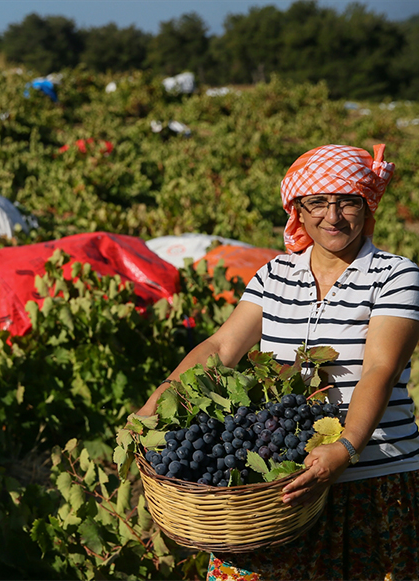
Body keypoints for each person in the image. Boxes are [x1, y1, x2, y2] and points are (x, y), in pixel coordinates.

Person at [137, 143, 419, 580]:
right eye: (318, 203)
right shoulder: (274, 275)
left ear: (366, 206)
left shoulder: (396, 275)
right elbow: (222, 346)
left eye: (347, 202)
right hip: (277, 491)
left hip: (370, 479)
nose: (333, 216)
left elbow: (380, 368)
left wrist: (346, 447)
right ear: (298, 212)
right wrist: (160, 397)